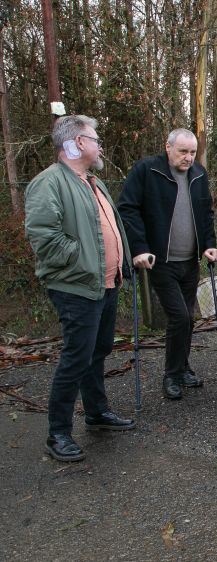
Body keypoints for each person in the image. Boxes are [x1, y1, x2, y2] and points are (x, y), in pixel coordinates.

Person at [24, 115, 136, 462]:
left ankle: (96, 413)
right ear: (76, 143)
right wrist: (80, 260)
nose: (100, 144)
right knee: (76, 357)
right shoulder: (49, 183)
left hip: (105, 284)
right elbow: (44, 237)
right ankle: (58, 433)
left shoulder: (92, 181)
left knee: (97, 351)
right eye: (94, 138)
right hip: (77, 287)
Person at [117, 128, 217, 401]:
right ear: (168, 147)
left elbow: (206, 212)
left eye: (192, 152)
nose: (188, 158)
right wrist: (139, 248)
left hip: (190, 261)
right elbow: (127, 208)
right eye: (183, 151)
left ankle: (183, 368)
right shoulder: (147, 170)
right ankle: (171, 375)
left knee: (187, 320)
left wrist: (209, 243)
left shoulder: (198, 174)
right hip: (159, 261)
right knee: (181, 317)